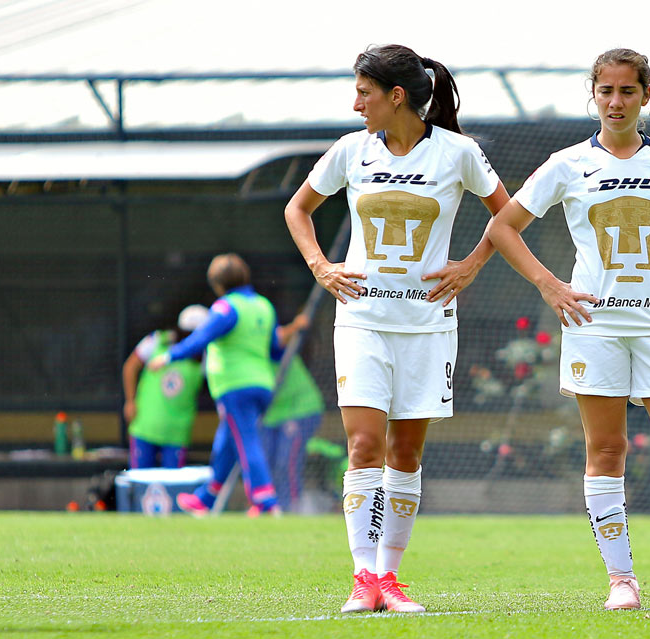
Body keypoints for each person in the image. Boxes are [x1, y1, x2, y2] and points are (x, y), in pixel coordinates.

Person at [489, 48, 650, 611]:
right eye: (606, 91)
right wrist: (551, 286)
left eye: (627, 91)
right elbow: (504, 228)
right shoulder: (566, 165)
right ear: (594, 96)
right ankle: (621, 581)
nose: (616, 102)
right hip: (594, 328)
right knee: (605, 449)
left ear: (645, 97)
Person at [283, 44, 509, 614]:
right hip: (361, 321)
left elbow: (508, 214)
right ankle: (364, 579)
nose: (355, 103)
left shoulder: (458, 153)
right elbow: (298, 209)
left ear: (396, 96)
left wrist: (470, 266)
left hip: (428, 326)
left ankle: (391, 578)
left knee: (405, 453)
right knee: (363, 444)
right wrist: (321, 267)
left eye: (364, 92)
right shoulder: (350, 151)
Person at [148, 253, 283, 517]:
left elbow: (202, 337)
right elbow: (275, 349)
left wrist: (169, 356)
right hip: (262, 383)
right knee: (227, 441)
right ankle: (206, 498)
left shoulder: (226, 307)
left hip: (235, 385)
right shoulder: (264, 306)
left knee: (246, 440)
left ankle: (265, 500)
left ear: (218, 284)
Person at [122, 304, 209, 469]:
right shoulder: (156, 341)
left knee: (172, 487)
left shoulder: (205, 357)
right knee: (140, 481)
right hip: (145, 426)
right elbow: (130, 367)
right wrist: (130, 401)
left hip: (176, 433)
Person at [261, 316, 326, 513]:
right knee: (265, 462)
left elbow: (277, 337)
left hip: (300, 409)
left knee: (286, 460)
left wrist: (296, 325)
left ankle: (291, 509)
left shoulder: (268, 345)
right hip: (273, 414)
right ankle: (270, 507)